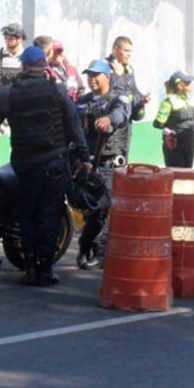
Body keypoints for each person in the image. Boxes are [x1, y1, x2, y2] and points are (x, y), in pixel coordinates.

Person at [0, 45, 89, 286]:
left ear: (24, 66)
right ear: (44, 66)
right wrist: (84, 156)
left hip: (25, 165)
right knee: (49, 214)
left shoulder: (9, 93)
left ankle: (29, 268)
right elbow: (74, 124)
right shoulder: (58, 91)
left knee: (27, 214)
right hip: (55, 163)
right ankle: (46, 269)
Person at [74, 58, 132, 268]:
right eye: (89, 75)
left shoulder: (120, 98)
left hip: (112, 166)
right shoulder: (82, 101)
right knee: (94, 209)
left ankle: (100, 250)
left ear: (107, 76)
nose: (92, 79)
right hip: (87, 165)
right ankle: (85, 246)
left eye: (96, 75)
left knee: (106, 207)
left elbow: (120, 114)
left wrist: (109, 120)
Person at [105, 35, 149, 136]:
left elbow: (133, 92)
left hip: (126, 127)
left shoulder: (129, 70)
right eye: (126, 51)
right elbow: (106, 95)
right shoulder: (104, 68)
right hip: (110, 124)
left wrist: (141, 100)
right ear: (115, 49)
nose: (129, 54)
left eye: (130, 51)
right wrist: (117, 75)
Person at [153, 70, 194, 168]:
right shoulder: (169, 101)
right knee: (176, 176)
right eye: (188, 83)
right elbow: (158, 123)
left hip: (190, 143)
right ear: (180, 86)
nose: (191, 86)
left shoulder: (188, 100)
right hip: (175, 146)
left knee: (187, 176)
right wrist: (168, 132)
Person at [0, 22, 26, 104]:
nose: (7, 41)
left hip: (22, 103)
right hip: (2, 102)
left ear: (20, 38)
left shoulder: (27, 58)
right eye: (6, 38)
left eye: (11, 39)